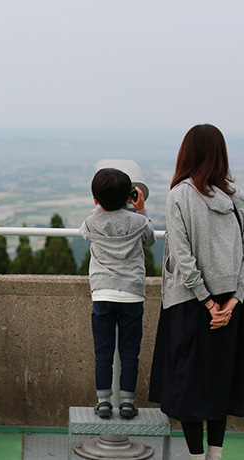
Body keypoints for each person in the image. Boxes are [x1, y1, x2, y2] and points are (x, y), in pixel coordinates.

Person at [148, 124, 244, 460]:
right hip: (230, 308)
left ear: (187, 153)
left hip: (190, 305)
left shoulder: (180, 195)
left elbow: (181, 254)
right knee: (220, 385)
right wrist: (232, 300)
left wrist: (207, 301)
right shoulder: (238, 196)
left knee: (189, 386)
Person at [80, 163, 156, 420]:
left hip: (102, 293)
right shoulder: (138, 221)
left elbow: (85, 231)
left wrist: (100, 205)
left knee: (103, 352)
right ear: (129, 195)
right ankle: (126, 402)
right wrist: (140, 208)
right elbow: (150, 239)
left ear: (95, 198)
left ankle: (103, 402)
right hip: (132, 295)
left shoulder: (92, 222)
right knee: (129, 353)